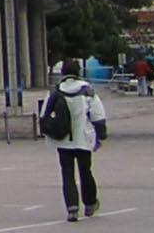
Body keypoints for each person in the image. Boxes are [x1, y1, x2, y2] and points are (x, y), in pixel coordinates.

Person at [44, 59, 107, 222]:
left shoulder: (55, 91)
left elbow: (44, 114)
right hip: (83, 138)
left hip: (62, 139)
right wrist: (101, 136)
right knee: (86, 171)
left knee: (67, 174)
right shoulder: (86, 90)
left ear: (63, 72)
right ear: (78, 71)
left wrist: (50, 131)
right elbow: (97, 114)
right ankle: (90, 203)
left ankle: (72, 209)